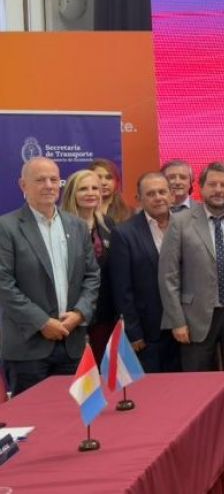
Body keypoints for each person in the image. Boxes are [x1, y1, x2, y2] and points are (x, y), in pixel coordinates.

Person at [0, 157, 100, 395]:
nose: (48, 185)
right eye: (40, 180)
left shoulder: (77, 226)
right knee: (33, 416)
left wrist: (79, 313)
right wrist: (42, 322)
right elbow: (4, 283)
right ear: (23, 185)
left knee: (74, 415)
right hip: (28, 348)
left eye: (54, 180)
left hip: (73, 343)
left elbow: (92, 276)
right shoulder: (6, 227)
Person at [158, 162, 224, 375]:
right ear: (201, 188)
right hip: (195, 317)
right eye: (212, 184)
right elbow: (168, 276)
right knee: (197, 381)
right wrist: (177, 321)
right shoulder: (180, 221)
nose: (218, 190)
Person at [108, 172, 181, 373]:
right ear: (139, 199)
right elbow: (122, 289)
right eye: (150, 194)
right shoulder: (124, 233)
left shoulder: (187, 225)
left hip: (186, 328)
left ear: (171, 195)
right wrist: (133, 332)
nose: (158, 197)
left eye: (162, 192)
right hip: (149, 333)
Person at [61, 169, 116, 363]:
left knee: (103, 367)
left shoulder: (108, 223)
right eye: (83, 189)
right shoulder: (60, 225)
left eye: (95, 188)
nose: (91, 193)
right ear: (72, 193)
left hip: (105, 312)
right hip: (72, 312)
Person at [89, 158, 133, 224]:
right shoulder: (78, 213)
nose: (103, 182)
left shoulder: (129, 213)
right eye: (98, 177)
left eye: (109, 178)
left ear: (116, 182)